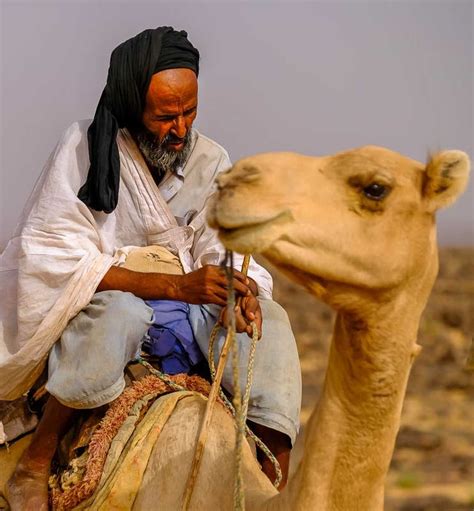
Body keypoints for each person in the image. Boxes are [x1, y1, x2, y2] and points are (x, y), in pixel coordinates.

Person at [1, 27, 301, 509]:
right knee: (120, 316)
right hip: (104, 301)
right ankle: (35, 462)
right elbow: (51, 257)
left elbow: (216, 243)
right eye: (165, 116)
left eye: (189, 111)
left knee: (272, 324)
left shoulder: (211, 159)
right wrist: (172, 285)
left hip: (188, 311)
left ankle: (276, 476)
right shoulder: (82, 148)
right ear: (131, 107)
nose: (180, 129)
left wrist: (237, 291)